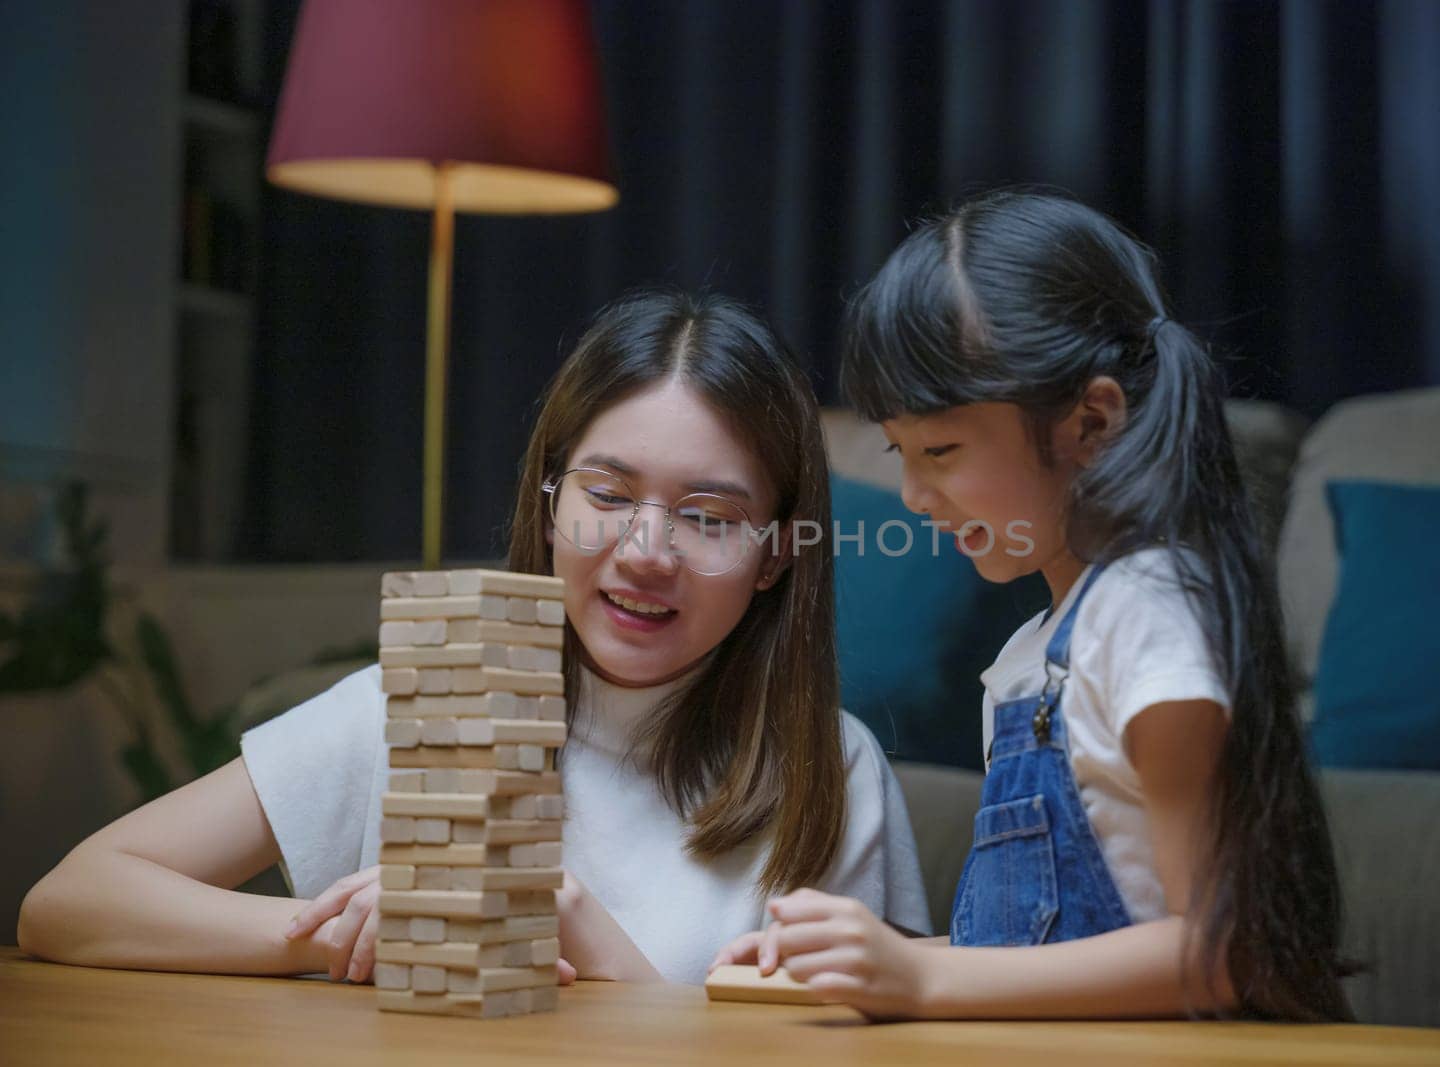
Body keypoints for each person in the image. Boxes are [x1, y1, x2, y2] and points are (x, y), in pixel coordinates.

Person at [19, 289, 929, 986]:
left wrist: (582, 936)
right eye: (607, 496)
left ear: (775, 555)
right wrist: (343, 933)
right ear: (550, 497)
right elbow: (68, 901)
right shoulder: (425, 701)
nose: (646, 552)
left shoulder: (830, 773)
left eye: (708, 515)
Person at [712, 191, 1353, 1021]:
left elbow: (1225, 949)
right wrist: (872, 957)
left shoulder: (1148, 611)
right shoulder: (1032, 657)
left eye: (940, 449)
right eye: (900, 452)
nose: (912, 495)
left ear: (1091, 421)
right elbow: (1037, 954)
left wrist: (924, 982)